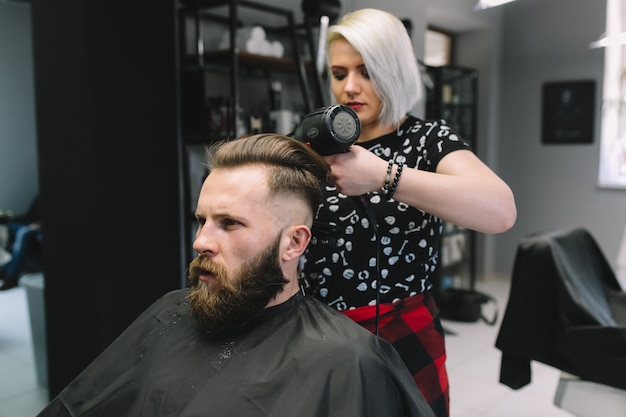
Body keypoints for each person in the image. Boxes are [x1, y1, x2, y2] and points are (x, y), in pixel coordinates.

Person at [37, 134, 435, 417]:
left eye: (229, 223)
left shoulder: (349, 361)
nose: (200, 242)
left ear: (293, 244)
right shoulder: (168, 312)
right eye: (202, 221)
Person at [299, 9, 517, 417]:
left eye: (365, 71)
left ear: (394, 70)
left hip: (402, 334)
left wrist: (382, 175)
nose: (349, 87)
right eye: (339, 72)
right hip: (317, 334)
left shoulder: (427, 141)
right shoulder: (318, 143)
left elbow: (500, 210)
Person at [0, 195, 42, 291]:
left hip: (38, 230)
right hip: (30, 224)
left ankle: (12, 276)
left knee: (24, 233)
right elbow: (30, 215)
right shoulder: (40, 198)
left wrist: (38, 224)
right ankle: (3, 268)